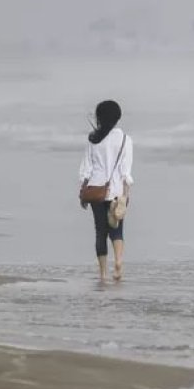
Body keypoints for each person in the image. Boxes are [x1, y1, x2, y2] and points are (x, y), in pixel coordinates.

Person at [79, 100, 133, 282]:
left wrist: (82, 191)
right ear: (118, 117)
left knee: (100, 231)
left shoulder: (93, 139)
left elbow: (86, 169)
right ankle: (118, 262)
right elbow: (126, 172)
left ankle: (102, 275)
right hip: (117, 190)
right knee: (117, 229)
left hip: (96, 190)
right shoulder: (125, 139)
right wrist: (126, 194)